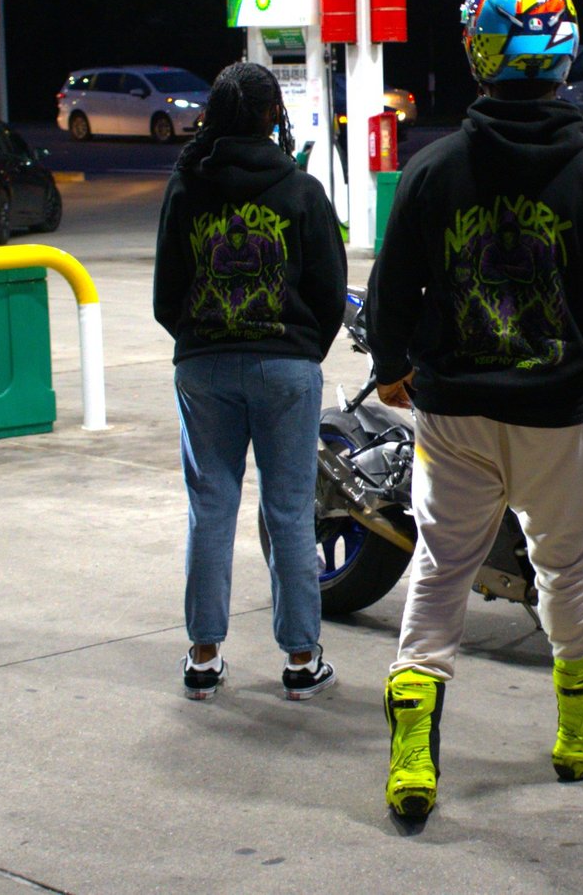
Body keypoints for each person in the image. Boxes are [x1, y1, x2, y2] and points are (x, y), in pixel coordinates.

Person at [364, 0, 583, 822]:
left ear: (479, 54)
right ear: (565, 55)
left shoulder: (433, 168)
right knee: (565, 570)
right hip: (559, 419)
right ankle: (580, 736)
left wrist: (391, 362)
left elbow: (394, 285)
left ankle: (414, 760)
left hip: (451, 412)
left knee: (440, 565)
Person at [153, 61, 348, 703]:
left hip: (204, 367)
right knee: (290, 512)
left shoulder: (188, 186)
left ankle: (203, 658)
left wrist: (204, 340)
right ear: (273, 116)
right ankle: (300, 660)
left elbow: (165, 297)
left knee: (210, 508)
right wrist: (297, 352)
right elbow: (328, 291)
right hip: (285, 366)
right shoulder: (300, 190)